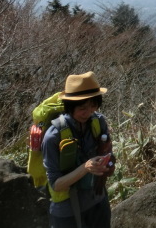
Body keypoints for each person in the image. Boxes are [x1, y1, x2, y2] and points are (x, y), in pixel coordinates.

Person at [42, 71, 114, 228]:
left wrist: (107, 164)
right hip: (66, 212)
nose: (88, 112)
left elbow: (109, 158)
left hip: (98, 200)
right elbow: (56, 184)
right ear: (70, 106)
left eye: (93, 106)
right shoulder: (53, 136)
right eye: (82, 108)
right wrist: (86, 168)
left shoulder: (98, 122)